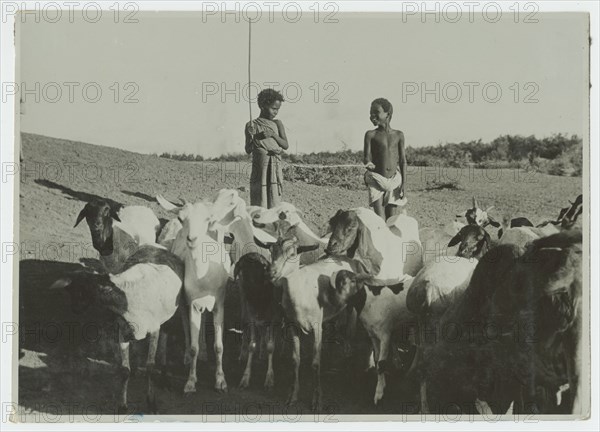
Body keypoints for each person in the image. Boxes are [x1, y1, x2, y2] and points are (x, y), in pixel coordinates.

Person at [363, 98, 407, 220]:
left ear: (388, 114)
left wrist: (404, 184)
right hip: (377, 180)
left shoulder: (398, 135)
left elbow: (403, 160)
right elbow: (366, 157)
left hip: (394, 181)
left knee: (391, 219)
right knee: (380, 221)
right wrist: (368, 162)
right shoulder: (370, 134)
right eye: (371, 112)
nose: (372, 115)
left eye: (376, 112)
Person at [244, 88, 289, 208]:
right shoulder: (251, 125)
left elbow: (285, 145)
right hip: (259, 168)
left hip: (274, 166)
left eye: (278, 109)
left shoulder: (277, 124)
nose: (276, 112)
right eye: (274, 109)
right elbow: (248, 149)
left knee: (274, 196)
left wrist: (273, 134)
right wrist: (255, 136)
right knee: (260, 197)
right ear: (263, 106)